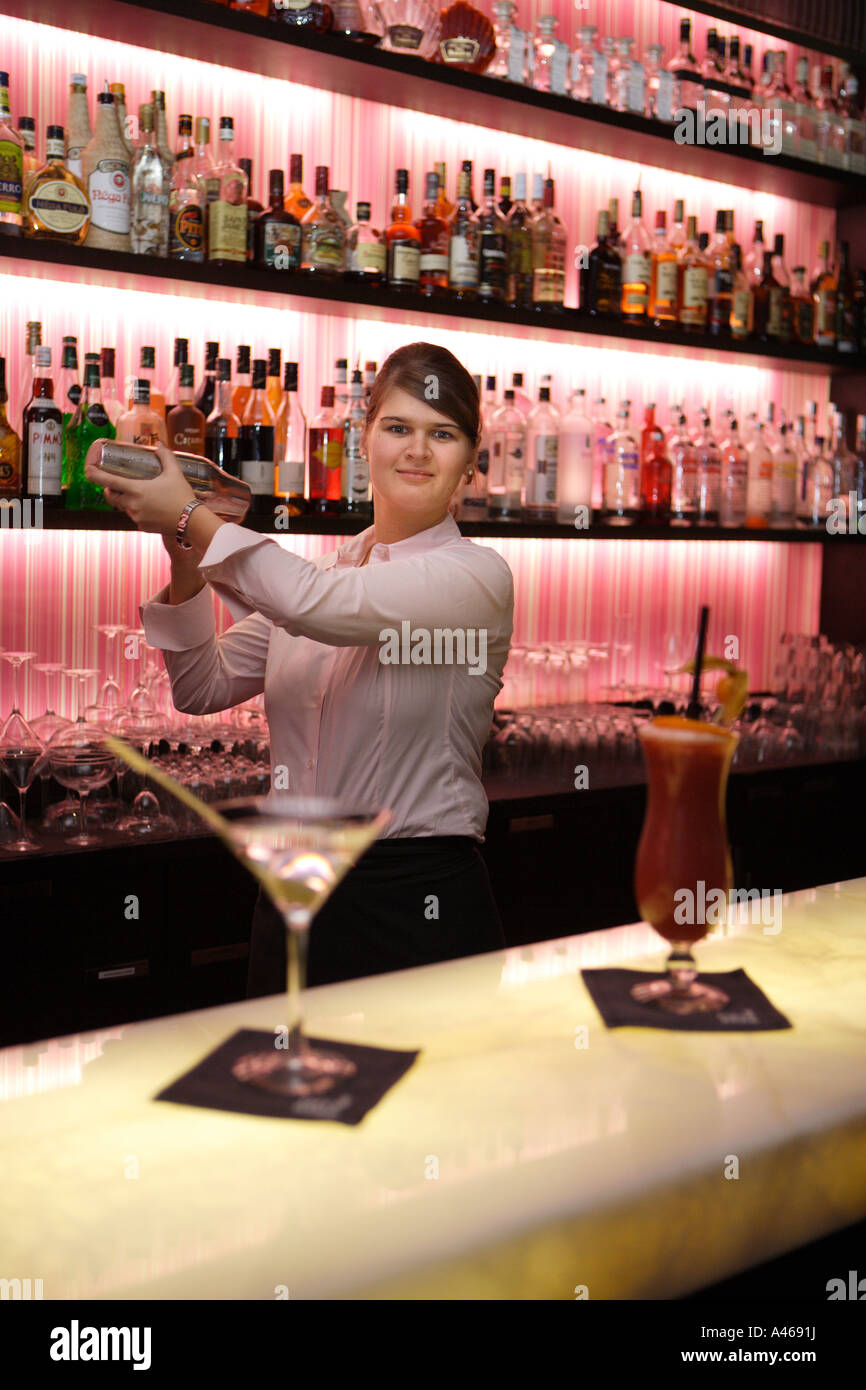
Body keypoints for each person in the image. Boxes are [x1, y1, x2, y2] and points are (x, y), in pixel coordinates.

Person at [85, 341, 514, 993]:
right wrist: (182, 553)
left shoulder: (477, 577)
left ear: (468, 463)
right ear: (364, 441)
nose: (417, 450)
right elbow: (202, 684)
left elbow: (319, 608)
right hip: (293, 894)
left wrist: (188, 514)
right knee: (279, 1085)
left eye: (443, 434)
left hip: (414, 898)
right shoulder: (325, 574)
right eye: (397, 427)